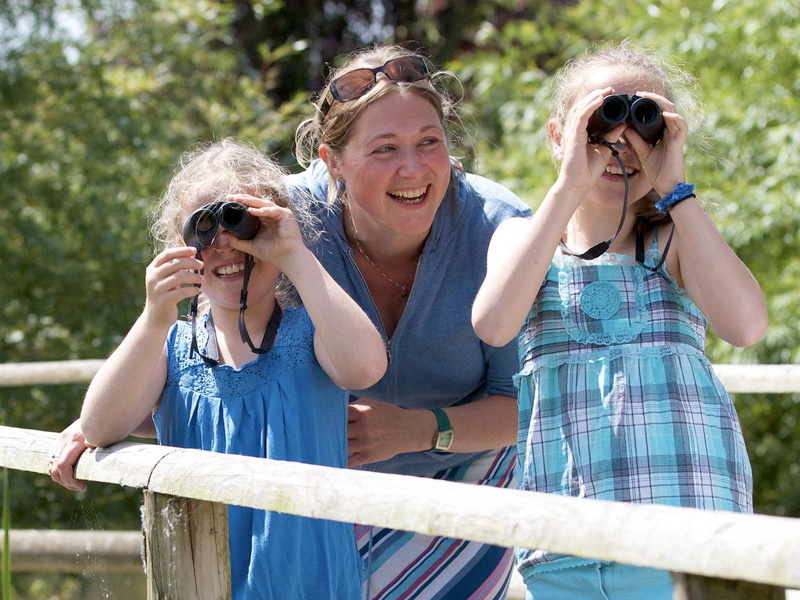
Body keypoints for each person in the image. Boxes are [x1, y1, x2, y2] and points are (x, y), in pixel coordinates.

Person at [50, 44, 532, 599]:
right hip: (326, 492)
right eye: (384, 148)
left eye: (430, 142)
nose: (413, 168)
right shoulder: (285, 219)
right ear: (331, 162)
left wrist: (421, 428)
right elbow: (221, 386)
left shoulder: (498, 230)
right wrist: (98, 423)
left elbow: (528, 406)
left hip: (458, 474)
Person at [471, 43, 768, 600]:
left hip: (687, 534)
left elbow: (747, 326)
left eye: (643, 122)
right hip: (565, 540)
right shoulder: (524, 240)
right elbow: (493, 324)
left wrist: (674, 188)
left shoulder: (674, 240)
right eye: (600, 119)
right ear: (558, 136)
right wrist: (569, 186)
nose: (620, 142)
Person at [73, 138, 387, 600]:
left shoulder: (313, 334)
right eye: (203, 229)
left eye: (243, 223)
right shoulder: (172, 348)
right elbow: (100, 425)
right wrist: (154, 316)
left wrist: (295, 256)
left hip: (312, 586)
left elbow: (365, 368)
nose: (225, 245)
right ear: (179, 248)